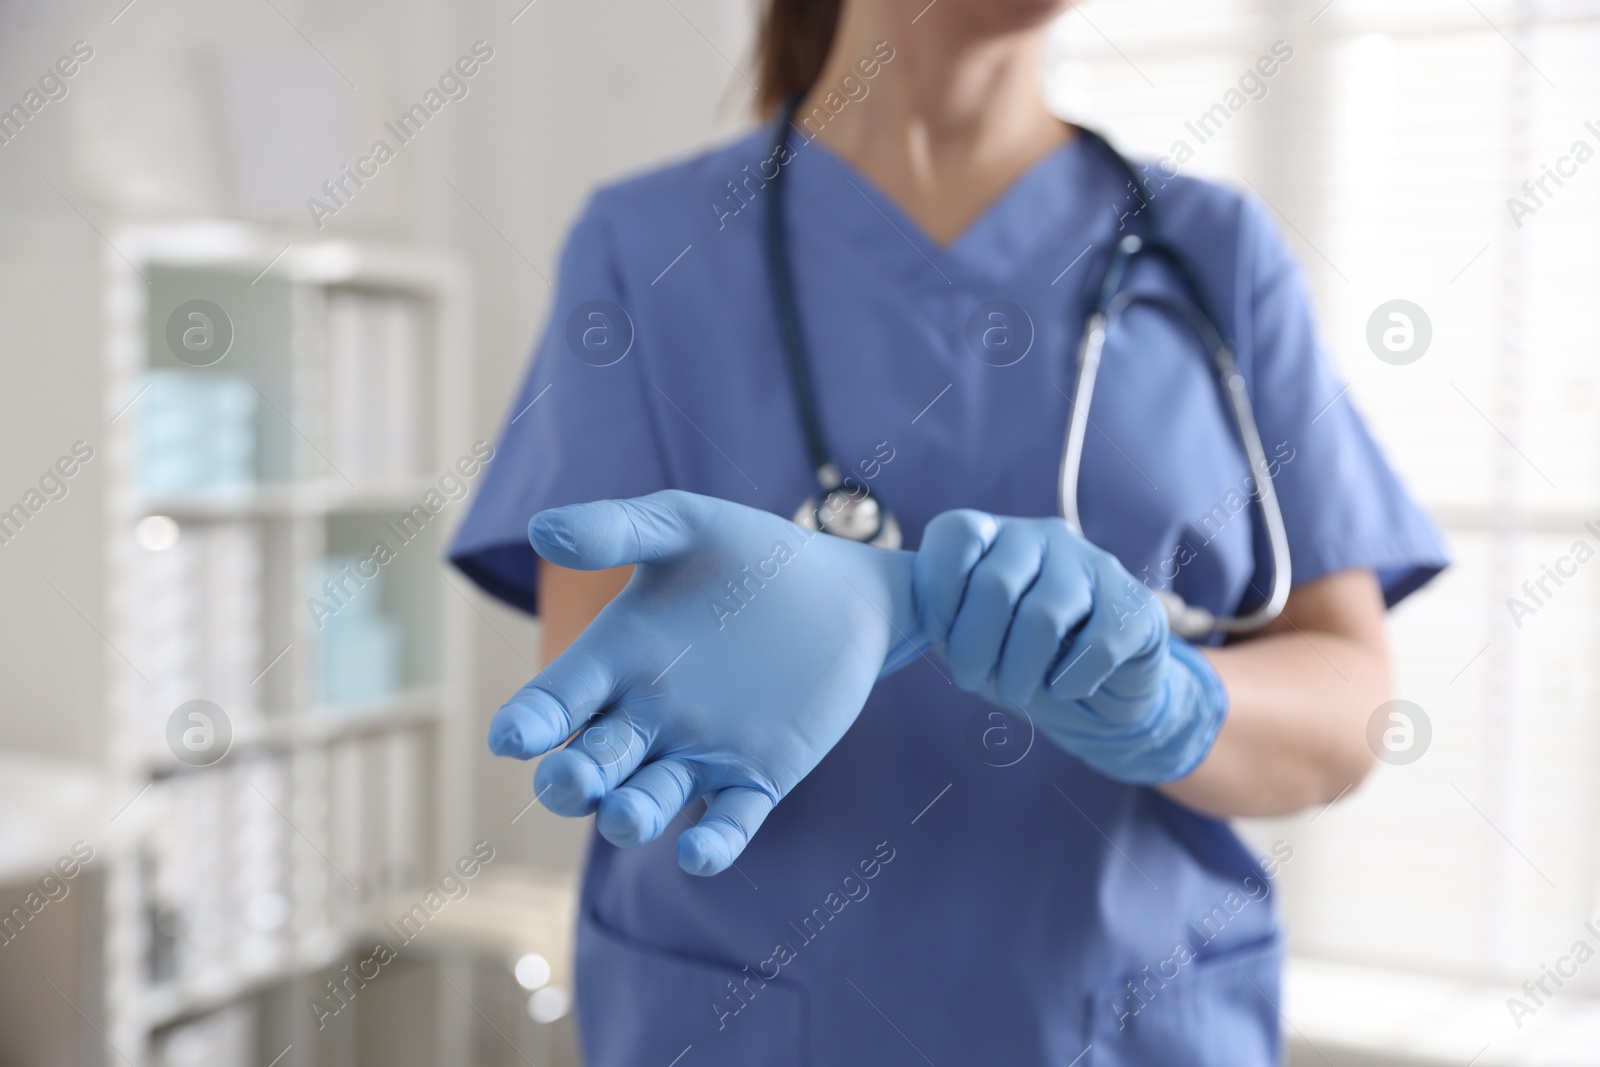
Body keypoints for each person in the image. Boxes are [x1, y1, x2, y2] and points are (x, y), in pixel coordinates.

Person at [450, 1, 1447, 1062]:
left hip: (1126, 1023)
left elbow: (1347, 707)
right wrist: (760, 628)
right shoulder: (643, 244)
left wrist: (1168, 701)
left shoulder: (1214, 250)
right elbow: (598, 699)